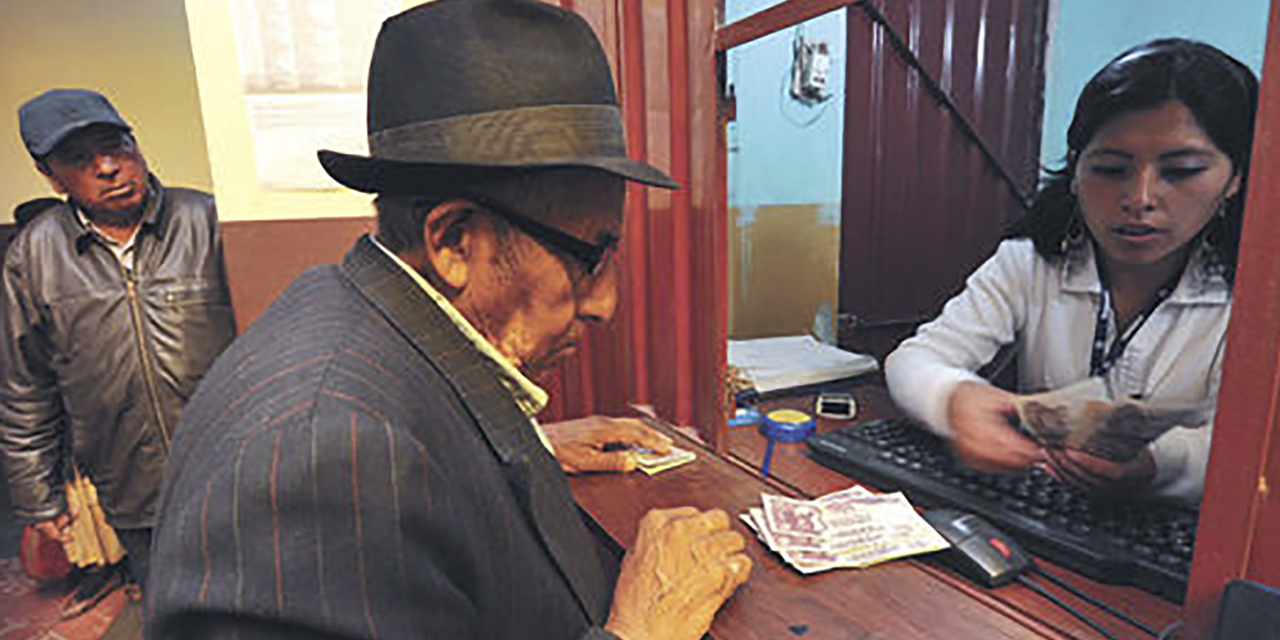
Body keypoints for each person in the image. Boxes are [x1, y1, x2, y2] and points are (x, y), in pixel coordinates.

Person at [147, 1, 752, 639]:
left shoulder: (350, 310)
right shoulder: (325, 455)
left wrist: (506, 452)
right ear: (456, 241)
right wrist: (642, 628)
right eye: (589, 259)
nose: (606, 304)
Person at [885, 38, 1258, 507]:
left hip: (1172, 543)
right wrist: (953, 398)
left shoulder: (1257, 295)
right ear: (1077, 170)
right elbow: (915, 360)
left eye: (1181, 170)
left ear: (1236, 177)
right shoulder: (1032, 263)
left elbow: (1249, 457)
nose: (1140, 198)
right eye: (1109, 168)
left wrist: (1157, 463)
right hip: (1042, 514)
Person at [0, 89, 236, 596]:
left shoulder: (209, 221)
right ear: (49, 174)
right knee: (173, 607)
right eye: (80, 159)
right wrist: (38, 498)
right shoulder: (32, 258)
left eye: (116, 146)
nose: (108, 167)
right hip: (132, 487)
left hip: (237, 473)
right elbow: (26, 387)